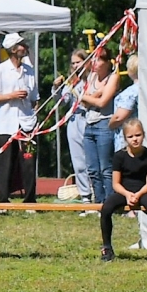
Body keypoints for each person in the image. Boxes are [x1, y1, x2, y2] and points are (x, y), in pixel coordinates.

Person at [97, 118, 147, 264]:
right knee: (106, 208)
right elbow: (116, 184)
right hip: (123, 191)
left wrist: (138, 195)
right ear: (125, 138)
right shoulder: (119, 156)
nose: (135, 139)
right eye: (131, 136)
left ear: (143, 135)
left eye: (138, 135)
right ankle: (107, 247)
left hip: (143, 192)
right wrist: (127, 194)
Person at [0, 32, 39, 204]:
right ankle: (3, 200)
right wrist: (11, 96)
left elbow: (35, 98)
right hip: (7, 124)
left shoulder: (29, 71)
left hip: (27, 123)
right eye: (22, 45)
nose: (25, 48)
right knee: (6, 162)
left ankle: (30, 200)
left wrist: (34, 113)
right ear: (13, 49)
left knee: (29, 161)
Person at [109, 55, 147, 250]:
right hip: (140, 137)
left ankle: (131, 207)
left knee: (127, 175)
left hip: (126, 137)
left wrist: (110, 123)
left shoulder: (132, 91)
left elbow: (121, 116)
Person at [78, 49, 121, 209]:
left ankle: (110, 203)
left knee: (106, 168)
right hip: (89, 124)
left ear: (107, 62)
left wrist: (86, 97)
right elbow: (84, 103)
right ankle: (98, 203)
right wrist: (97, 94)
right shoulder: (91, 77)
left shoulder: (113, 77)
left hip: (104, 124)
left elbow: (103, 103)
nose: (94, 63)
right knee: (92, 169)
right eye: (94, 59)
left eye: (99, 60)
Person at [54, 49, 94, 202]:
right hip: (74, 121)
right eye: (73, 63)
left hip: (90, 120)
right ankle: (85, 196)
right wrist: (56, 89)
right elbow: (62, 102)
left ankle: (97, 192)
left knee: (93, 160)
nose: (76, 65)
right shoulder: (72, 82)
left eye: (79, 62)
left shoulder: (94, 78)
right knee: (79, 162)